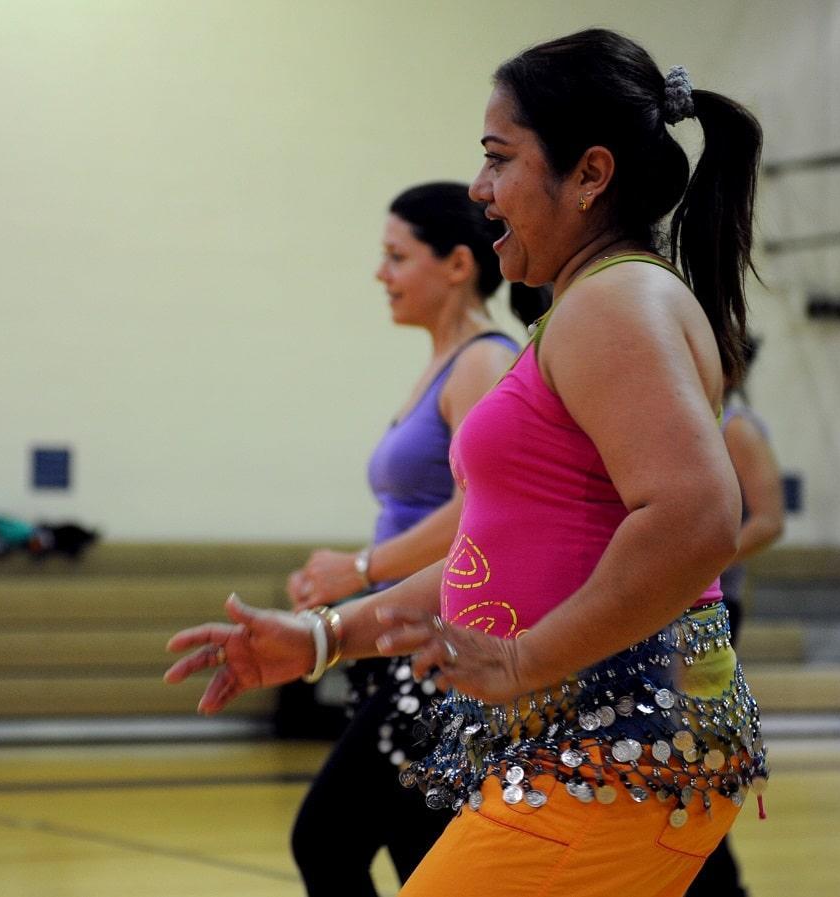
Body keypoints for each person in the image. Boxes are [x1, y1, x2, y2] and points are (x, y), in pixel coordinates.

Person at [167, 28, 767, 897]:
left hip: (612, 755)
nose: (481, 190)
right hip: (601, 753)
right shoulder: (589, 308)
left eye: (499, 158)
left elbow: (699, 518)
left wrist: (524, 661)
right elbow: (495, 550)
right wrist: (326, 635)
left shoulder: (614, 305)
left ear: (591, 175)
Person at [284, 182, 544, 896]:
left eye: (397, 257)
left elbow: (480, 511)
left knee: (326, 839)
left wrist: (361, 567)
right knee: (422, 863)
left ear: (458, 264)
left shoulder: (485, 362)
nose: (382, 275)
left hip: (435, 650)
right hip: (401, 644)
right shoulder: (446, 363)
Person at [686, 339, 784, 897]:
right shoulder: (686, 419)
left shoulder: (736, 425)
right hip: (679, 607)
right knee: (677, 756)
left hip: (713, 610)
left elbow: (768, 520)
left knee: (686, 753)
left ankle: (721, 885)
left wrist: (697, 563)